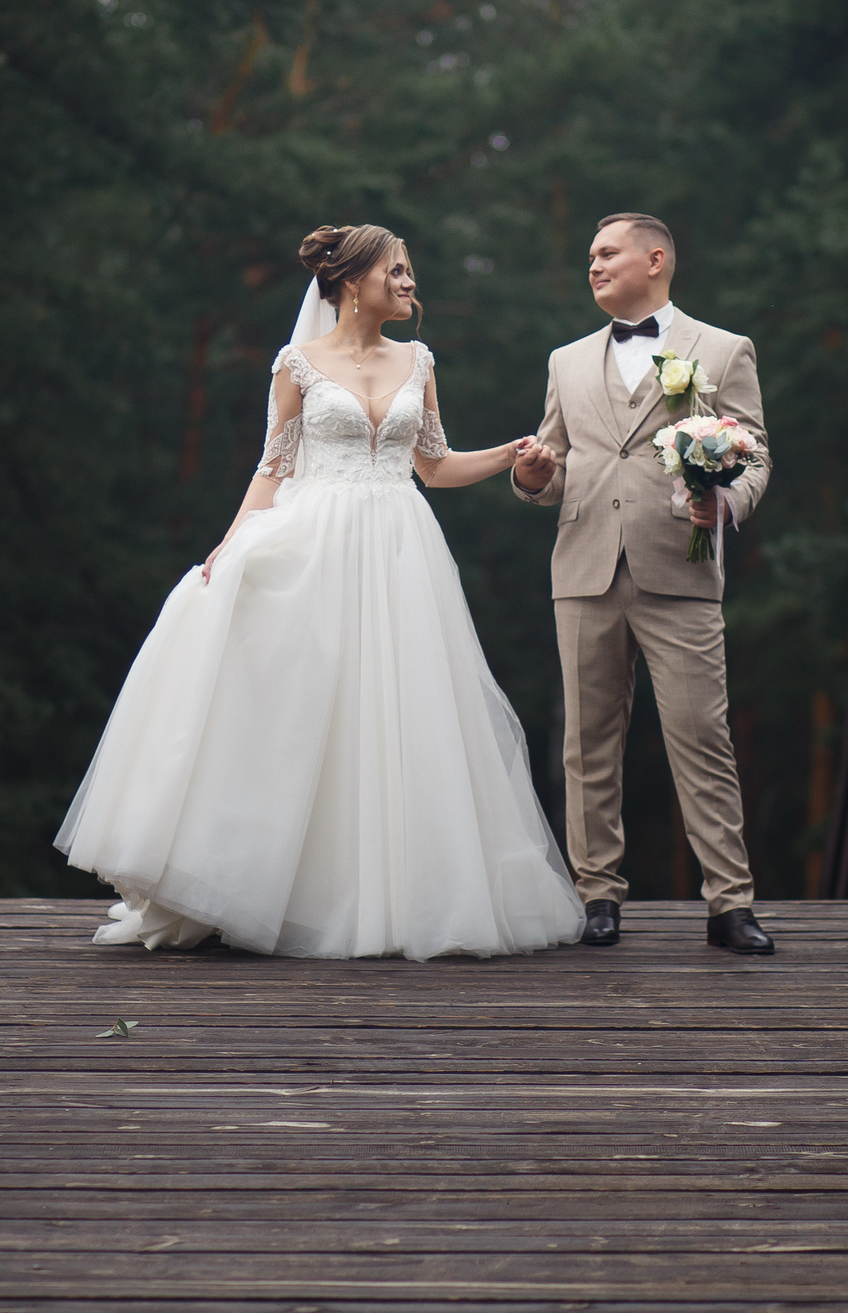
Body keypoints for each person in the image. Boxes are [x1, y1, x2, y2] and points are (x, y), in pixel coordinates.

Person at [56, 224, 584, 959]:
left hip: (400, 547)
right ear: (350, 280)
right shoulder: (297, 363)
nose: (409, 284)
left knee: (398, 711)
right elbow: (272, 467)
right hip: (314, 541)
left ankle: (388, 899)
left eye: (410, 273)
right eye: (396, 271)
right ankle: (264, 883)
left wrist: (510, 453)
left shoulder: (418, 360)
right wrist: (231, 544)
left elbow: (434, 466)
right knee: (304, 709)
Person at [509, 212, 776, 954]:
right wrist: (534, 477)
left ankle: (730, 903)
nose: (591, 265)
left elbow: (755, 457)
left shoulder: (722, 349)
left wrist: (723, 500)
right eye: (589, 255)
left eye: (606, 253)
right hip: (585, 568)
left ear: (655, 258)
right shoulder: (565, 360)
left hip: (681, 569)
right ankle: (597, 895)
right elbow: (554, 460)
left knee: (702, 736)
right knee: (587, 742)